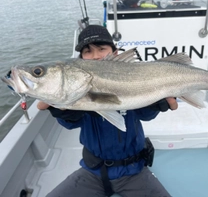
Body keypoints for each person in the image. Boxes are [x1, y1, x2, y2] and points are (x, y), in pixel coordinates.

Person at [37, 25, 178, 197]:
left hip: (134, 171)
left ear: (115, 52)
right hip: (93, 171)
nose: (95, 56)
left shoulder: (132, 77)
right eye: (87, 51)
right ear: (81, 58)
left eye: (102, 49)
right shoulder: (76, 87)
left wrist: (155, 104)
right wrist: (65, 112)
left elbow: (145, 116)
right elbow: (70, 124)